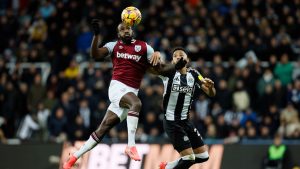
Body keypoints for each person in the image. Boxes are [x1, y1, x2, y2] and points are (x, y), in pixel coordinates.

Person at [63, 20, 185, 169]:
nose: (126, 31)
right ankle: (131, 146)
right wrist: (96, 35)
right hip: (117, 88)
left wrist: (175, 65)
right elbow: (95, 54)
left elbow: (160, 69)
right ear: (118, 34)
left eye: (128, 28)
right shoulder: (113, 46)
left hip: (130, 93)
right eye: (122, 29)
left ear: (132, 30)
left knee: (102, 129)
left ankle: (73, 158)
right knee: (137, 104)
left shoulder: (144, 47)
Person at [157, 47, 216, 169]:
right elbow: (151, 69)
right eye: (175, 56)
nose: (178, 57)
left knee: (203, 156)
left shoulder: (194, 74)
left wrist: (210, 87)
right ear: (172, 61)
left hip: (186, 121)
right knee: (189, 158)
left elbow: (211, 93)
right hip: (172, 122)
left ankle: (168, 167)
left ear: (187, 60)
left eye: (181, 55)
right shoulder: (168, 73)